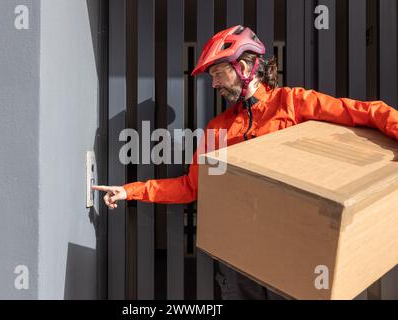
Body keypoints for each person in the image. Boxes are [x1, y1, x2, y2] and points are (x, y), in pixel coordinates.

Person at [93, 25, 398, 300]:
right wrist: (129, 191)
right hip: (239, 256)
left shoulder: (292, 102)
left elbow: (366, 111)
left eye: (217, 73)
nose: (213, 83)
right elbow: (190, 187)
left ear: (243, 66)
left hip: (292, 247)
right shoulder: (217, 128)